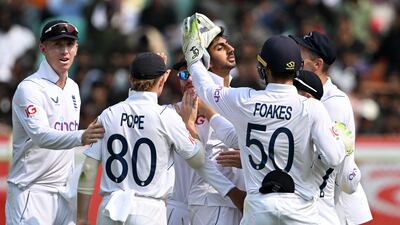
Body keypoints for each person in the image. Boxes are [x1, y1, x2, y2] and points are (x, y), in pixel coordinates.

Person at [181, 13, 346, 225]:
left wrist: (193, 56)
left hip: (258, 209)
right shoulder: (311, 107)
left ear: (263, 68)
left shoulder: (244, 99)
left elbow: (205, 88)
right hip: (300, 210)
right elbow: (333, 157)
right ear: (297, 70)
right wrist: (339, 140)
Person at [76, 52, 243, 225]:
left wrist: (81, 217)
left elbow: (88, 168)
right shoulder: (166, 117)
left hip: (110, 209)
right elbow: (199, 159)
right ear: (163, 80)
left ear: (130, 78)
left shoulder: (109, 114)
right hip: (148, 211)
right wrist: (190, 125)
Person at [5, 19, 105, 225]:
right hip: (31, 192)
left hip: (64, 194)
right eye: (57, 45)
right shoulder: (30, 88)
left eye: (69, 44)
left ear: (76, 48)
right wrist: (81, 136)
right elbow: (41, 136)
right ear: (43, 48)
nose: (64, 51)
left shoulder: (73, 88)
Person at [289, 31, 372, 225]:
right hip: (317, 202)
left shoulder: (334, 102)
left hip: (337, 206)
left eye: (299, 58)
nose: (293, 62)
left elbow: (324, 159)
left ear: (317, 65)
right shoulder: (302, 93)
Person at [166, 56, 245, 225]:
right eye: (183, 75)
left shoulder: (234, 107)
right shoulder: (169, 113)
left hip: (225, 205)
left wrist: (247, 160)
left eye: (194, 72)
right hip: (180, 208)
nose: (189, 78)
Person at [294, 70, 362, 225]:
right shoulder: (335, 134)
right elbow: (350, 183)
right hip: (328, 216)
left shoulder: (294, 134)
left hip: (302, 215)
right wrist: (348, 155)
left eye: (293, 91)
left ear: (306, 96)